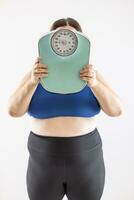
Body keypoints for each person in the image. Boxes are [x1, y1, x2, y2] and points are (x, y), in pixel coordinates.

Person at [8, 17, 123, 200]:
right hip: (42, 157)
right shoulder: (35, 74)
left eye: (72, 37)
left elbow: (116, 110)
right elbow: (13, 111)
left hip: (87, 157)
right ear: (50, 41)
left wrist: (94, 83)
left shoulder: (92, 74)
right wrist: (32, 81)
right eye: (59, 36)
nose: (64, 42)